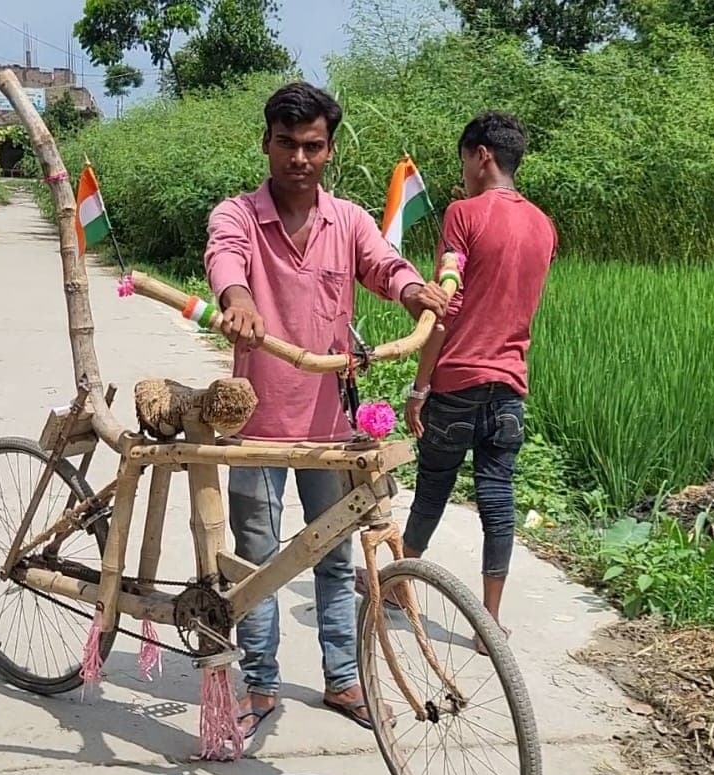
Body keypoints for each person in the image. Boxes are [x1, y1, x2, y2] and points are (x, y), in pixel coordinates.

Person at [202, 81, 450, 739]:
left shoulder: (348, 221)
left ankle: (342, 678)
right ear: (266, 144)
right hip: (255, 424)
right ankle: (258, 682)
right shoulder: (237, 215)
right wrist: (239, 300)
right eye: (287, 144)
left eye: (312, 145)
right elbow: (223, 258)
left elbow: (383, 264)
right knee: (255, 560)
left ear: (329, 150)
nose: (299, 158)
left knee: (335, 557)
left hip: (329, 425)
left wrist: (412, 291)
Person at [398, 110, 558, 655]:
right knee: (497, 496)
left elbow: (447, 304)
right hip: (510, 385)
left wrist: (420, 387)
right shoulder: (543, 224)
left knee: (433, 488)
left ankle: (398, 587)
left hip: (458, 383)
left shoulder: (464, 215)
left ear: (482, 155)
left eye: (464, 159)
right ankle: (489, 620)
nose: (462, 171)